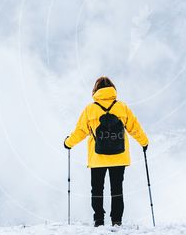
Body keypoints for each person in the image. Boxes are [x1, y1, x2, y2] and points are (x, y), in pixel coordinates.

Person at [64, 76, 149, 227]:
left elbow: (80, 131)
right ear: (112, 89)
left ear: (95, 90)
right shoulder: (122, 107)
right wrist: (144, 142)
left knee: (97, 189)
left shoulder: (90, 109)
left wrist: (68, 143)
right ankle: (117, 221)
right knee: (117, 188)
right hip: (119, 156)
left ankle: (99, 220)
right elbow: (134, 128)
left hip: (97, 157)